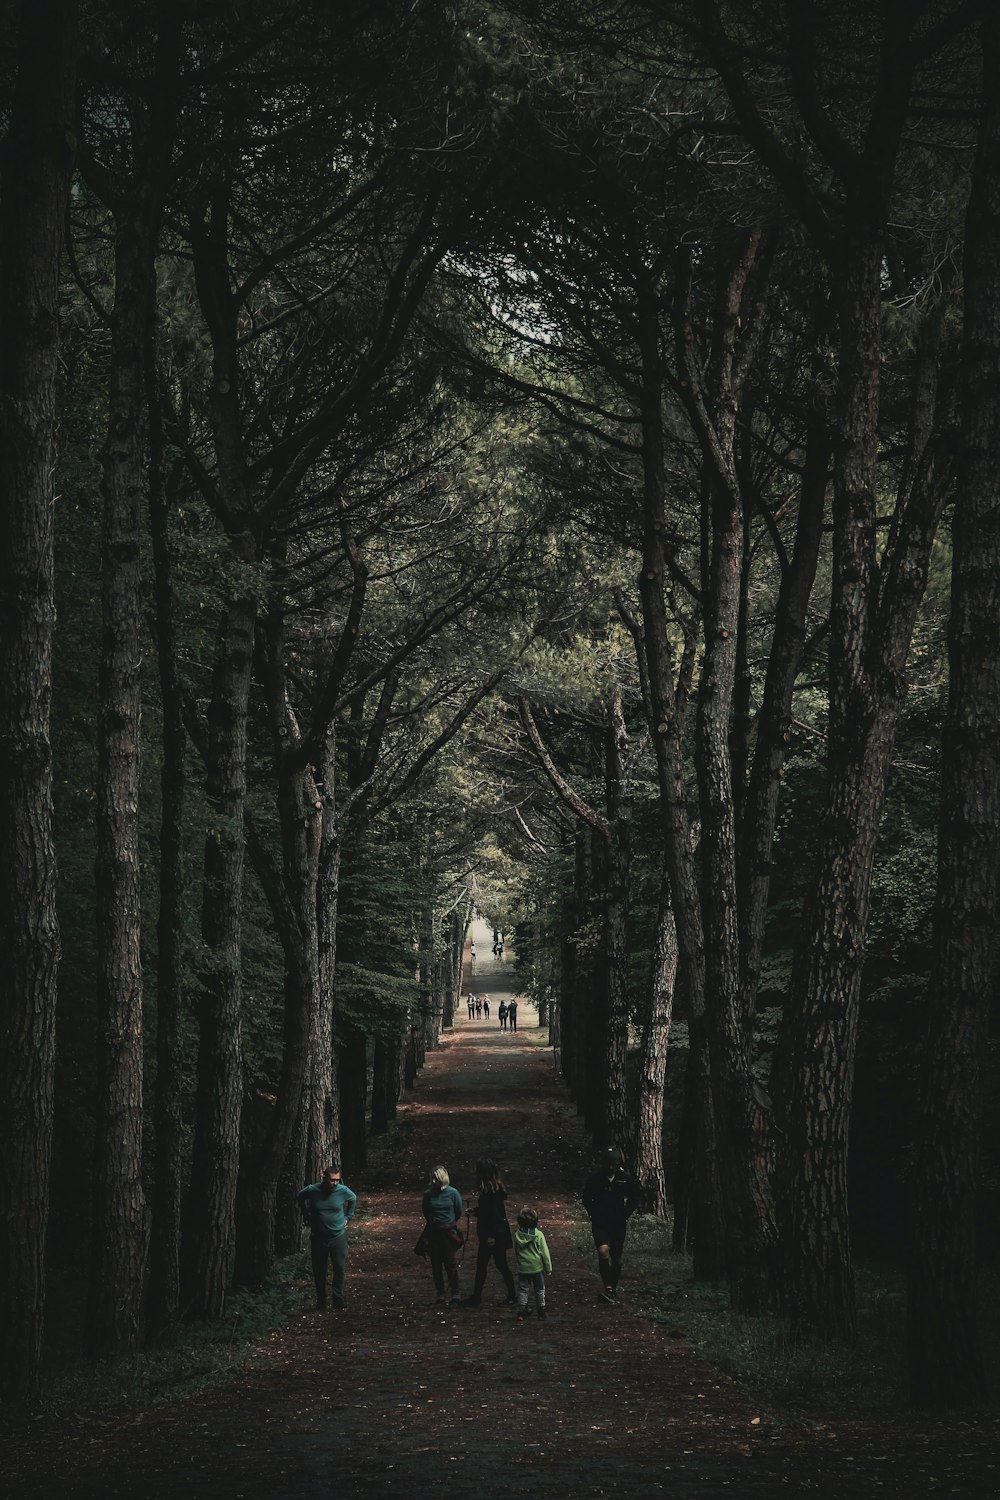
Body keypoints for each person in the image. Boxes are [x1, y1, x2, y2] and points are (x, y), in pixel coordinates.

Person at [581, 1146, 640, 1303]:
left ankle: (613, 1288)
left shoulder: (625, 1178)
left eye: (613, 1164)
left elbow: (634, 1199)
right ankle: (607, 1287)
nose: (610, 1167)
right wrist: (594, 1212)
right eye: (607, 1164)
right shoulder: (595, 1178)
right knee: (603, 1251)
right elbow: (586, 1198)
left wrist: (624, 1214)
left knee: (617, 1257)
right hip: (600, 1222)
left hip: (618, 1223)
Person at [298, 1164, 357, 1310]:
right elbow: (299, 1197)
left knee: (339, 1268)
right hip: (318, 1237)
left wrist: (348, 1217)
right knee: (319, 1270)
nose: (335, 1183)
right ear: (324, 1178)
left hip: (338, 1236)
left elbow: (353, 1199)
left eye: (337, 1180)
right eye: (332, 1180)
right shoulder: (313, 1190)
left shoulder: (342, 1191)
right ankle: (321, 1301)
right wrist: (307, 1216)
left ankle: (338, 1299)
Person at [462, 1157, 516, 1307]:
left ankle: (510, 1295)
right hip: (495, 1234)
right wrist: (476, 1211)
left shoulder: (490, 1192)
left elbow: (494, 1215)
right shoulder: (493, 1190)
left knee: (497, 1265)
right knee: (491, 1265)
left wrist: (491, 1236)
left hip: (493, 1235)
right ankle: (480, 1296)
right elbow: (489, 1212)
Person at [421, 1165, 464, 1305]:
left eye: (436, 1178)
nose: (434, 1181)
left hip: (448, 1233)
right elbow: (426, 1211)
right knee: (436, 1264)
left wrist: (449, 1222)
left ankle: (455, 1292)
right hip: (434, 1232)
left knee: (450, 1263)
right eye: (432, 1178)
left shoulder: (453, 1193)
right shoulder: (428, 1194)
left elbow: (458, 1211)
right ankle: (440, 1292)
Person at [513, 1207, 551, 1322]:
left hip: (523, 1267)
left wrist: (519, 1261)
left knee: (523, 1289)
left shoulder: (517, 1235)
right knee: (539, 1289)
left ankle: (522, 1311)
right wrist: (548, 1267)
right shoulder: (538, 1235)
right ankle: (541, 1311)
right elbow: (545, 1252)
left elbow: (517, 1251)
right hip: (536, 1267)